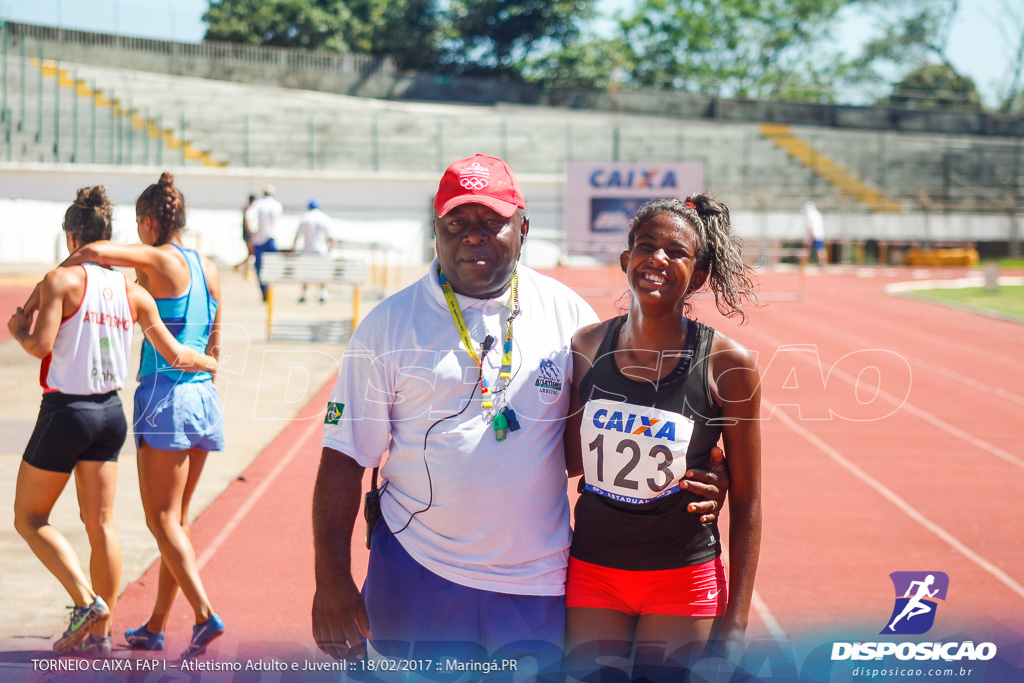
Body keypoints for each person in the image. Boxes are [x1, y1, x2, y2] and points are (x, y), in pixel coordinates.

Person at [310, 155, 728, 667]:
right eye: (456, 223)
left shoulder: (569, 314)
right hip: (417, 569)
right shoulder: (387, 325)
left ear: (523, 228)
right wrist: (331, 578)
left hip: (538, 580)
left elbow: (611, 436)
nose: (473, 236)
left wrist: (705, 470)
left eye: (492, 223)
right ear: (435, 229)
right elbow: (344, 457)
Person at [9, 186, 218, 658]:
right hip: (110, 415)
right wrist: (209, 364)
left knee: (29, 517)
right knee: (100, 524)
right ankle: (102, 637)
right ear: (107, 236)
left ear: (70, 237)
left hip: (67, 411)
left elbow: (40, 346)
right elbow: (177, 353)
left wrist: (18, 331)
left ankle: (86, 601)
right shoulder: (132, 292)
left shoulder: (60, 281)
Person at [562, 196, 761, 678]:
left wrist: (736, 619)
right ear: (626, 260)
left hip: (682, 575)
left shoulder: (728, 365)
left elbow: (750, 499)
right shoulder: (586, 347)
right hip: (594, 569)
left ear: (696, 276)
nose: (658, 259)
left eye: (677, 251)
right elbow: (570, 460)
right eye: (646, 246)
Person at [292, 199, 334, 303]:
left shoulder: (305, 218)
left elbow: (298, 236)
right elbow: (331, 239)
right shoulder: (325, 218)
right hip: (321, 251)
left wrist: (293, 247)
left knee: (306, 274)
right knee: (322, 273)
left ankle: (305, 294)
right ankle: (323, 293)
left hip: (308, 250)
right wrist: (329, 250)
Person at [248, 185, 283, 301]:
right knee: (272, 267)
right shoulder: (277, 205)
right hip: (271, 239)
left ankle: (264, 289)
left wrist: (251, 232)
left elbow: (248, 218)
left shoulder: (258, 204)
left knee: (259, 267)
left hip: (259, 240)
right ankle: (270, 288)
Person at [234, 194, 257, 277]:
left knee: (250, 254)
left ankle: (241, 268)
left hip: (247, 234)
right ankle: (245, 271)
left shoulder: (248, 209)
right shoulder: (249, 210)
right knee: (251, 253)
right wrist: (250, 232)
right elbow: (246, 222)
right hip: (248, 235)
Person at [802, 201, 827, 266]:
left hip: (815, 234)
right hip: (819, 233)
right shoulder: (817, 214)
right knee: (821, 248)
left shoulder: (810, 214)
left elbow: (810, 226)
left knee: (817, 248)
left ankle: (806, 263)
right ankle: (822, 262)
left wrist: (809, 236)